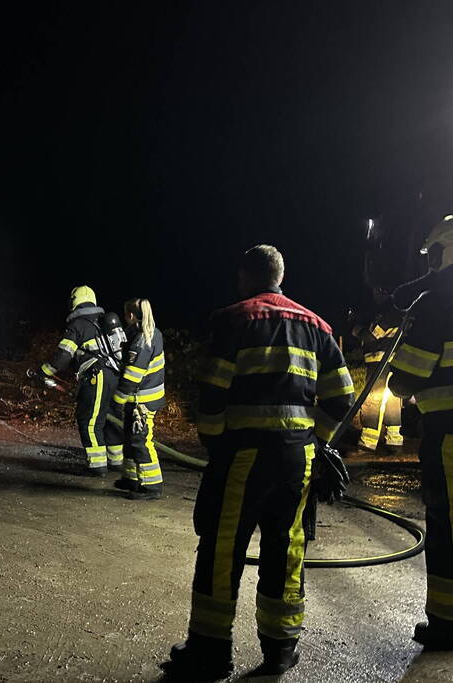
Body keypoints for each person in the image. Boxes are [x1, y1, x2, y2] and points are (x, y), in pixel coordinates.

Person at [168, 245, 354, 678]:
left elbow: (212, 391)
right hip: (297, 459)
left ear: (245, 277)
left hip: (243, 456)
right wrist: (317, 441)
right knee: (286, 548)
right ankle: (280, 650)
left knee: (221, 548)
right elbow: (342, 396)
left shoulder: (234, 319)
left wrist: (214, 443)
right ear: (280, 277)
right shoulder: (317, 326)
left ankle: (211, 653)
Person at [388, 214, 453, 650]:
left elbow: (406, 377)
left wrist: (397, 380)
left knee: (445, 524)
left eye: (432, 253)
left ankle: (447, 622)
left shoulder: (435, 301)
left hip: (449, 431)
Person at [39, 286, 121, 475]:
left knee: (89, 421)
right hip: (115, 377)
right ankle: (116, 461)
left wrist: (44, 371)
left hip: (97, 376)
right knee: (110, 419)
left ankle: (97, 465)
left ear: (74, 302)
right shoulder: (103, 322)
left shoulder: (78, 325)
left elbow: (62, 357)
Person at [110, 298, 166, 500]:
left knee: (140, 440)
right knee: (130, 438)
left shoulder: (143, 340)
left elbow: (132, 376)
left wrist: (117, 399)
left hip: (142, 401)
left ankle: (152, 485)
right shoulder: (148, 334)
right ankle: (132, 478)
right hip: (140, 398)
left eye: (126, 315)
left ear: (131, 315)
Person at [354, 299, 403, 450]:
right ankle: (394, 440)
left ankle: (368, 441)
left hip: (380, 360)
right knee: (392, 399)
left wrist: (356, 328)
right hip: (391, 361)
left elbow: (370, 336)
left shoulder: (388, 313)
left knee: (373, 398)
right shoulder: (397, 310)